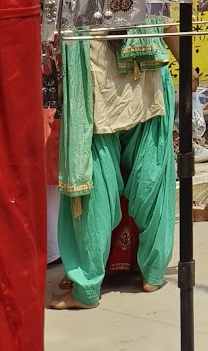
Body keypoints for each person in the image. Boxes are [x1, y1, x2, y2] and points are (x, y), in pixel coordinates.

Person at [51, 20, 176, 310]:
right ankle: (154, 273)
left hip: (98, 76)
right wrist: (190, 65)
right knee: (152, 176)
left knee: (93, 184)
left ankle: (87, 285)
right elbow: (168, 12)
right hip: (140, 72)